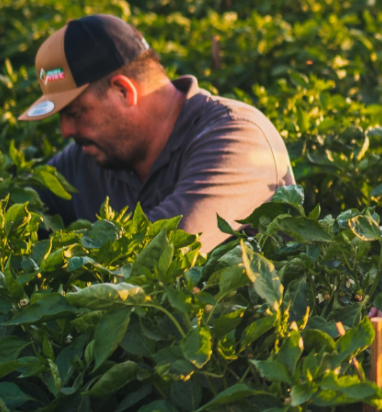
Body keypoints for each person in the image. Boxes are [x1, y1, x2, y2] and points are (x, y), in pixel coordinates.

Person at [18, 13, 295, 250]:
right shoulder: (87, 156)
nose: (66, 131)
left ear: (124, 91)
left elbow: (162, 252)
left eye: (76, 113)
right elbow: (10, 209)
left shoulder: (237, 138)